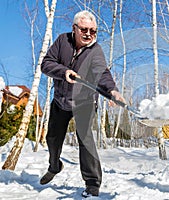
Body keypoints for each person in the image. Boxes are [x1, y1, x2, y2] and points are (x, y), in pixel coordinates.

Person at [40, 10, 124, 198]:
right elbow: (46, 64)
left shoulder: (95, 51)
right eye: (84, 29)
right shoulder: (63, 41)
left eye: (93, 31)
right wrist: (64, 71)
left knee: (86, 141)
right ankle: (54, 166)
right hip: (61, 100)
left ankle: (92, 184)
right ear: (74, 28)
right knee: (52, 139)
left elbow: (103, 74)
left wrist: (113, 91)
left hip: (84, 102)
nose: (88, 34)